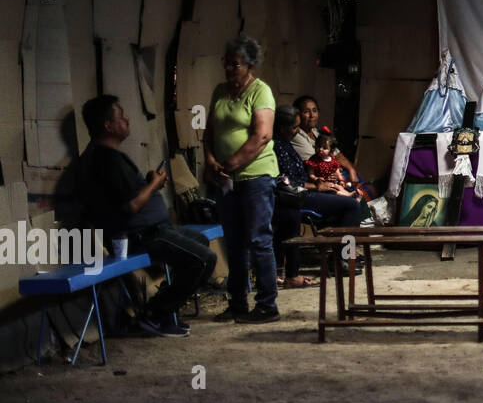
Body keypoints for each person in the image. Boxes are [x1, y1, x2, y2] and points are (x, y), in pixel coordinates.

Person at [76, 94, 216, 337]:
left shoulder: (110, 157)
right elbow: (131, 206)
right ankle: (154, 314)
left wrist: (150, 182)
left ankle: (163, 304)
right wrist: (154, 184)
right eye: (121, 117)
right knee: (204, 259)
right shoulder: (105, 159)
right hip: (140, 235)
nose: (127, 120)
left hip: (155, 229)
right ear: (108, 125)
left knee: (200, 242)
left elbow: (129, 194)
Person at [205, 35, 280, 324]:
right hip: (226, 179)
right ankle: (237, 302)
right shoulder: (220, 91)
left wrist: (231, 163)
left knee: (258, 239)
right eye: (225, 63)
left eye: (234, 64)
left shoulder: (260, 92)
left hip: (255, 176)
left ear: (249, 65)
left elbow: (262, 135)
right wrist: (211, 160)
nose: (228, 69)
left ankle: (266, 305)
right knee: (234, 242)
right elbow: (210, 132)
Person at [271, 106, 365, 288]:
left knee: (352, 202)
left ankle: (341, 256)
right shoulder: (277, 147)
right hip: (298, 196)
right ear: (282, 128)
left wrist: (324, 182)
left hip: (308, 191)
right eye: (294, 127)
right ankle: (341, 260)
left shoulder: (286, 144)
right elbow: (286, 182)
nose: (297, 130)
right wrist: (317, 186)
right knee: (351, 206)